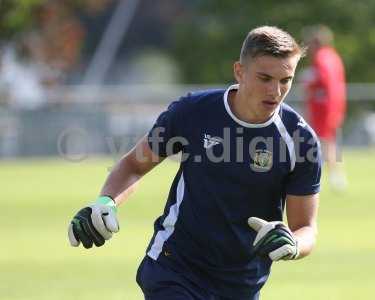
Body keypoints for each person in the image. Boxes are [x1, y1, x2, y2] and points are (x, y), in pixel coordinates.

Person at [68, 25, 321, 300]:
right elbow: (133, 166)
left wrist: (293, 244)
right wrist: (105, 203)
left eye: (286, 80)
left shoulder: (300, 140)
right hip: (175, 268)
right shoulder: (193, 112)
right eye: (265, 78)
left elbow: (305, 226)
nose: (276, 90)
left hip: (242, 284)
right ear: (239, 71)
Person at [302, 25, 347, 191]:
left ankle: (334, 176)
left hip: (324, 107)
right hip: (335, 104)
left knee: (323, 141)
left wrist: (308, 81)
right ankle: (336, 175)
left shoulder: (322, 58)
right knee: (329, 141)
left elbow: (322, 80)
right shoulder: (333, 56)